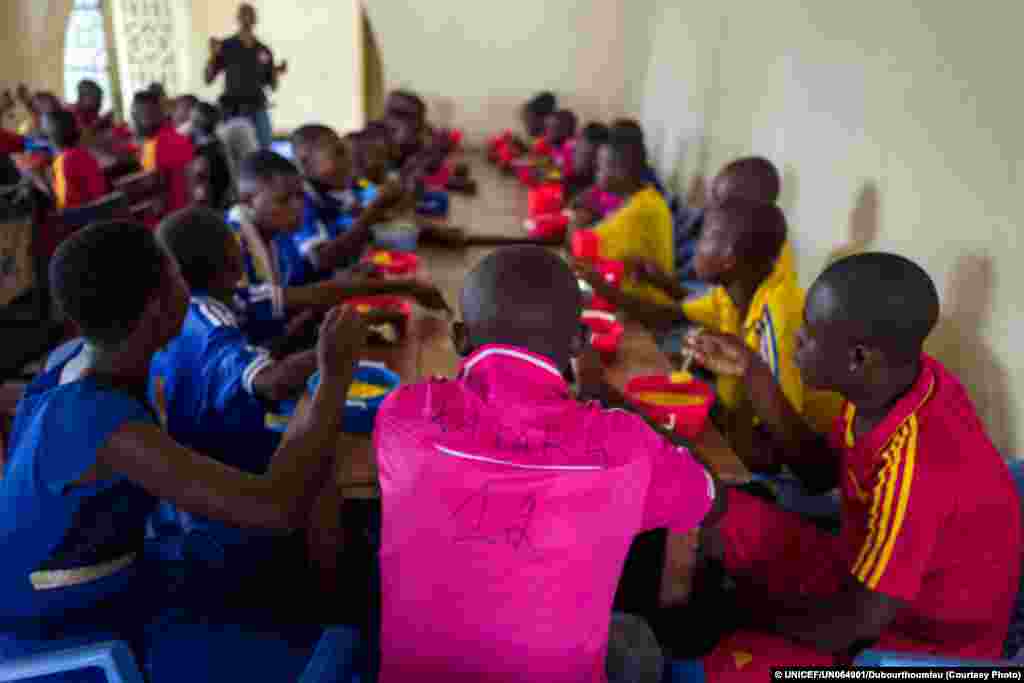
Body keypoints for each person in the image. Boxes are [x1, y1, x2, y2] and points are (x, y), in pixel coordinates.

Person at [0, 220, 365, 672]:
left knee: (280, 563)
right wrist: (330, 379)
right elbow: (277, 507)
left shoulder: (73, 360)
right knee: (322, 638)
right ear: (158, 307)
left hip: (124, 566)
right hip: (62, 618)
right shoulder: (101, 423)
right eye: (177, 277)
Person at [374, 245, 726, 682]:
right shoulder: (624, 444)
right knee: (635, 637)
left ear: (461, 339)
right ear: (580, 342)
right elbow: (710, 498)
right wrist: (610, 399)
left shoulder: (402, 415)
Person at [686, 252, 1022, 676]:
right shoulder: (896, 383)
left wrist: (737, 610)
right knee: (713, 508)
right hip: (860, 575)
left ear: (859, 358)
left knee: (731, 660)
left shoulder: (920, 461)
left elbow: (854, 626)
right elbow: (819, 473)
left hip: (919, 643)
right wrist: (753, 372)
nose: (795, 342)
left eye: (807, 336)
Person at [573, 132, 675, 305]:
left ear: (621, 170)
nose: (596, 173)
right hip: (630, 299)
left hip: (645, 309)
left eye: (600, 167)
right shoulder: (645, 198)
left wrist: (576, 221)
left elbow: (582, 249)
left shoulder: (641, 210)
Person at [205, 3, 288, 149]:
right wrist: (212, 56)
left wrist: (276, 73)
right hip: (233, 109)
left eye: (250, 14)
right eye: (243, 14)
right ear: (237, 18)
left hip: (258, 108)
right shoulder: (226, 45)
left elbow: (272, 86)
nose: (247, 18)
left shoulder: (264, 50)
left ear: (256, 19)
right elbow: (208, 79)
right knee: (236, 150)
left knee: (264, 149)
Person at [132, 90, 196, 223]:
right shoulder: (181, 140)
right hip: (186, 217)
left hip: (162, 224)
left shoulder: (152, 147)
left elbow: (152, 195)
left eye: (136, 114)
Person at [40, 109, 107, 211]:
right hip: (100, 212)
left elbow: (65, 205)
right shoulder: (83, 154)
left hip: (84, 220)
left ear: (48, 138)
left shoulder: (63, 162)